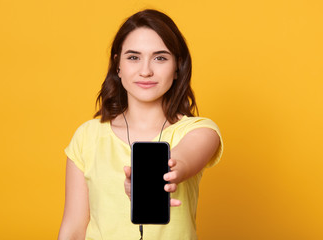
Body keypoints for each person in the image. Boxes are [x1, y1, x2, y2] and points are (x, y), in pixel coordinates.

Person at [58, 9, 223, 240]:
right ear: (118, 65)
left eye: (160, 58)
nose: (145, 71)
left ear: (177, 66)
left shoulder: (201, 131)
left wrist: (153, 178)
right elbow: (73, 230)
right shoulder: (87, 136)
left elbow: (183, 160)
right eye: (133, 57)